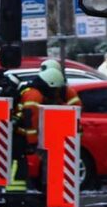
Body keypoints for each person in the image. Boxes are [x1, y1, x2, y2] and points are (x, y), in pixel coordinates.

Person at [10, 63, 82, 191]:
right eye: (55, 90)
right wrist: (32, 141)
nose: (56, 93)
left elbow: (74, 111)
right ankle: (24, 191)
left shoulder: (57, 92)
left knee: (47, 164)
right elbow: (31, 120)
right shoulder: (34, 95)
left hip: (42, 136)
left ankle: (47, 189)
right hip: (22, 135)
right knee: (22, 162)